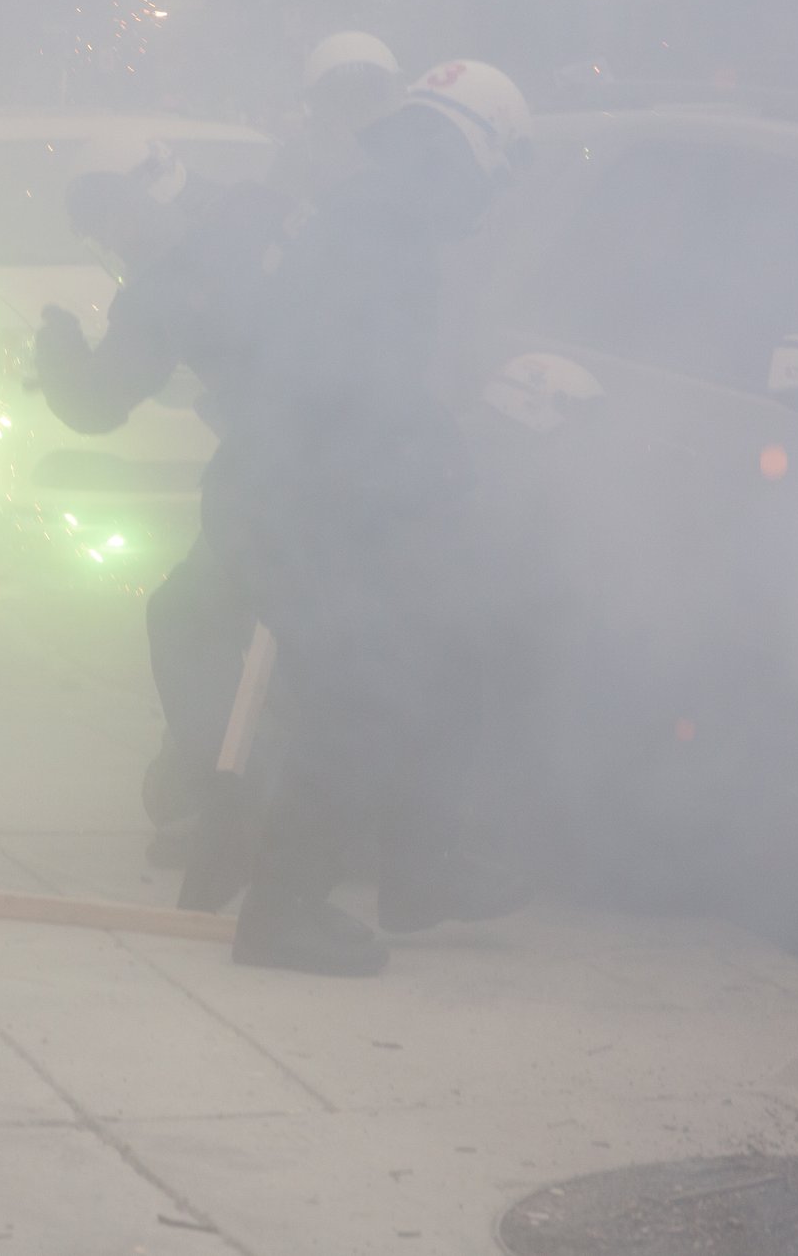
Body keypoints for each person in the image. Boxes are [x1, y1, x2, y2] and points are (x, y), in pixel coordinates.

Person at [206, 60, 540, 977]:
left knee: (432, 659)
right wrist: (448, 453)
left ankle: (418, 871)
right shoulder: (379, 239)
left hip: (322, 493)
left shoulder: (378, 220)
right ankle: (280, 915)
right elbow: (352, 390)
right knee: (352, 699)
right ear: (464, 157)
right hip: (307, 502)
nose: (484, 207)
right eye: (488, 182)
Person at [34, 149, 294, 848]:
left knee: (187, 616)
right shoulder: (267, 209)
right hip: (381, 447)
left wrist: (58, 355)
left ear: (154, 200)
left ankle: (238, 799)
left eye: (117, 223)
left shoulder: (171, 283)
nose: (116, 243)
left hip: (287, 463)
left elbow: (96, 401)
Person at [271, 31, 402, 205]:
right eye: (340, 100)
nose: (360, 117)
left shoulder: (419, 167)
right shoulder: (295, 163)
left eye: (371, 98)